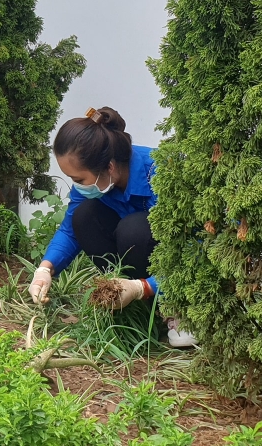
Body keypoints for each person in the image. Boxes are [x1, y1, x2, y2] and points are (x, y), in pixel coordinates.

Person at [27, 107, 194, 348]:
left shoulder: (163, 173)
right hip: (141, 261)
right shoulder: (97, 183)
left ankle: (178, 309)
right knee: (85, 216)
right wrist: (45, 269)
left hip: (179, 266)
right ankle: (129, 305)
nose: (77, 186)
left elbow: (194, 249)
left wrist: (143, 286)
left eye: (78, 180)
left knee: (134, 229)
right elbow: (69, 230)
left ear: (110, 167)